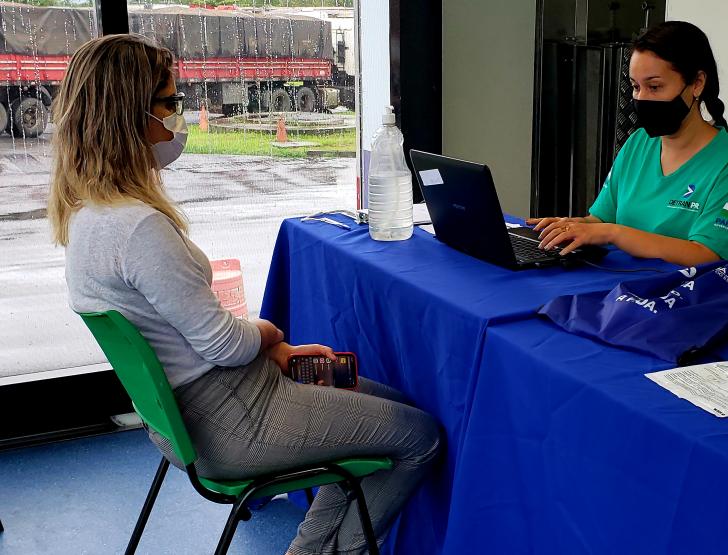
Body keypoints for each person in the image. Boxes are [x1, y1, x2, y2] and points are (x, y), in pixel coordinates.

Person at [48, 34, 440, 555]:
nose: (177, 118)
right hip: (232, 420)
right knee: (420, 435)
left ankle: (312, 548)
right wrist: (269, 333)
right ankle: (337, 550)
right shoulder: (138, 228)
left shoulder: (88, 216)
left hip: (199, 413)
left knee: (387, 409)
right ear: (127, 116)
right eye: (170, 104)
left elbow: (191, 335)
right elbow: (226, 347)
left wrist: (271, 354)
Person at [529, 21, 728, 267]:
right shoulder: (638, 143)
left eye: (655, 86)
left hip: (688, 298)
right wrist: (564, 226)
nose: (641, 98)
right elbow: (600, 219)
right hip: (621, 287)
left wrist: (613, 233)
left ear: (697, 83)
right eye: (635, 86)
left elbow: (707, 255)